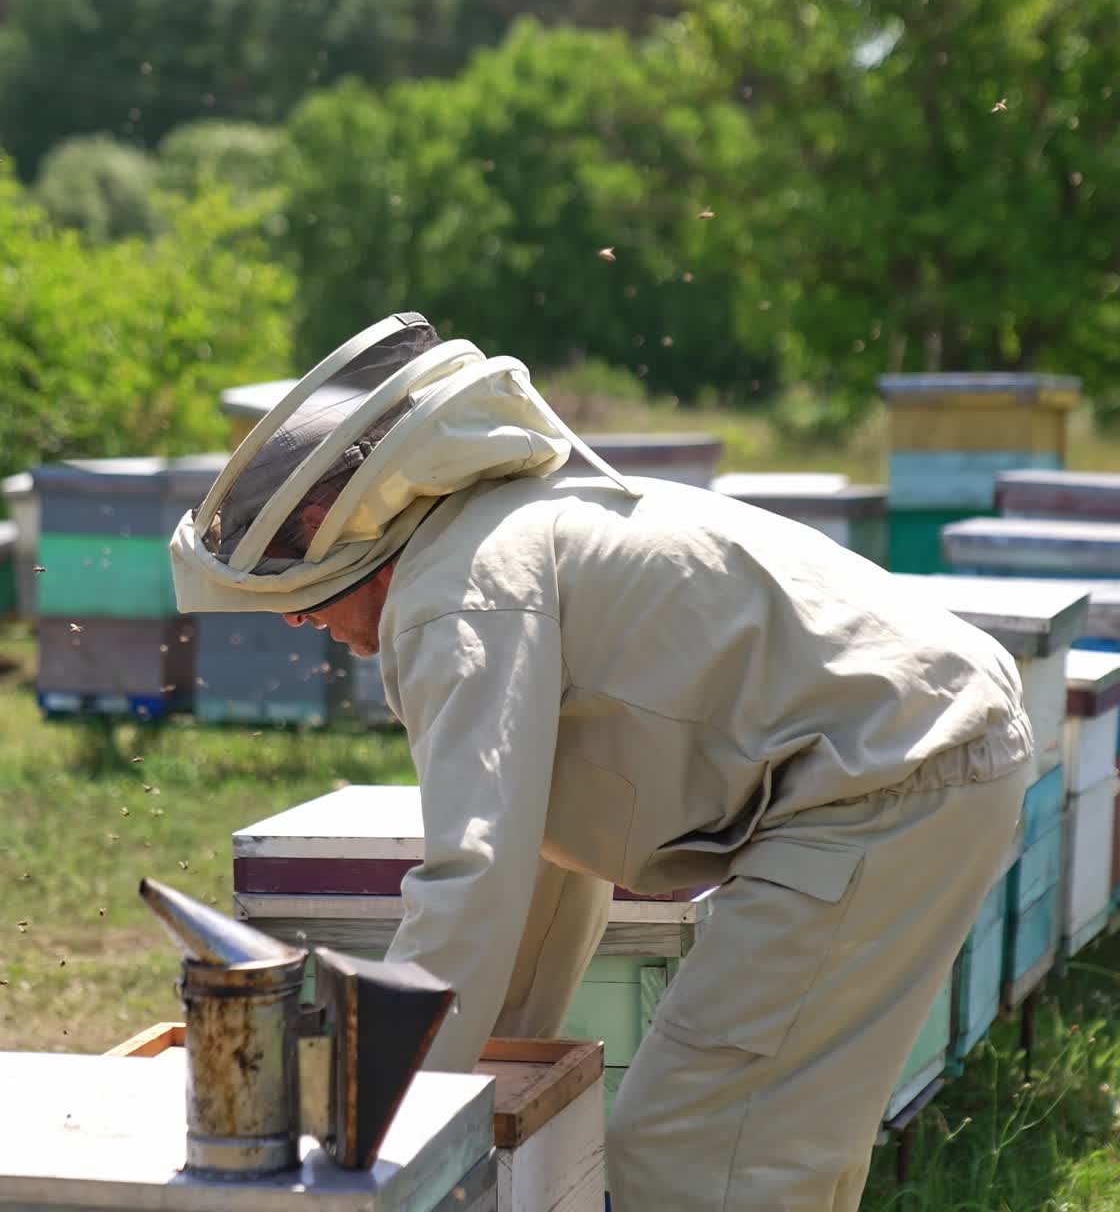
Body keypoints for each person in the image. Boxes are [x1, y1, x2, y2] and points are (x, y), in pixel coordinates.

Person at [171, 312, 1033, 1210]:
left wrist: (381, 1121)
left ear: (356, 542)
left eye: (302, 599)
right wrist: (501, 1061)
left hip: (889, 780)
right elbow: (542, 852)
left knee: (696, 1152)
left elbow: (473, 876)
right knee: (758, 1147)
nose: (303, 623)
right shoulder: (493, 538)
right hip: (911, 758)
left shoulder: (456, 599)